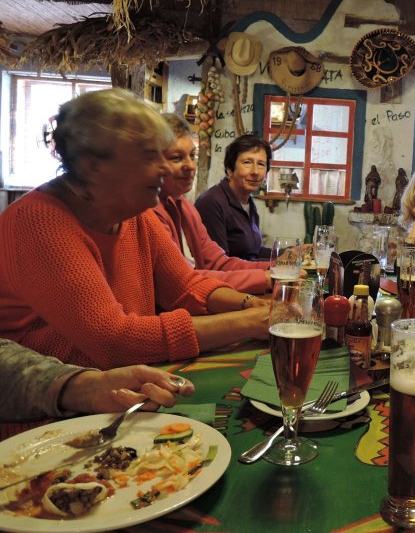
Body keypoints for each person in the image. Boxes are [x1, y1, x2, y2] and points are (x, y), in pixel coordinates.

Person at [0, 89, 271, 371]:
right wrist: (248, 322)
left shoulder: (134, 214)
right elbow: (114, 341)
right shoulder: (40, 222)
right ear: (95, 166)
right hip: (56, 408)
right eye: (149, 156)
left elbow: (186, 286)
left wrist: (251, 305)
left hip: (121, 384)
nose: (166, 168)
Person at [153, 114, 273, 295]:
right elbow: (183, 281)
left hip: (207, 293)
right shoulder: (208, 202)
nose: (191, 166)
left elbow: (219, 262)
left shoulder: (184, 206)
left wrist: (279, 267)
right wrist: (266, 278)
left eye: (192, 155)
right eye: (177, 157)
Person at [0, 339, 195, 424]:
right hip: (30, 429)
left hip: (75, 410)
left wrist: (89, 389)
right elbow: (114, 339)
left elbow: (189, 285)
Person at [195, 135, 272, 260]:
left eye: (261, 164)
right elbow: (220, 265)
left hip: (248, 277)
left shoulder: (248, 202)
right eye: (247, 162)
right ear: (230, 169)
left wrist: (289, 253)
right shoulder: (211, 203)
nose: (255, 172)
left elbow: (253, 252)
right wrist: (275, 266)